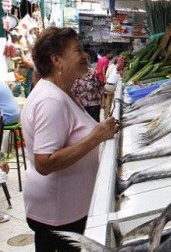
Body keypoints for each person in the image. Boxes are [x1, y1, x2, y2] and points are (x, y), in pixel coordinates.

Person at [20, 27, 120, 251]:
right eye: (77, 50)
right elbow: (44, 162)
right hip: (57, 213)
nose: (85, 56)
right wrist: (95, 138)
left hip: (64, 209)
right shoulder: (51, 101)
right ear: (57, 60)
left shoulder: (63, 92)